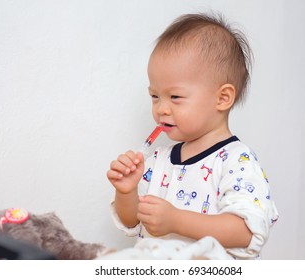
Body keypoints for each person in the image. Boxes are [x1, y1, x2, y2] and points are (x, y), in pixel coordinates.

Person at [106, 13, 278, 259]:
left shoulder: (236, 161)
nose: (161, 108)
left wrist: (176, 220)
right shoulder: (159, 160)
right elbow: (132, 221)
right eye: (155, 96)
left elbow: (246, 232)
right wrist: (126, 192)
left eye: (175, 97)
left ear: (222, 98)